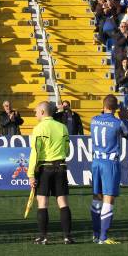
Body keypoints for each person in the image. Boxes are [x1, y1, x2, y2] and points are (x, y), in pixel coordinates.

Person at [28, 101, 73, 245]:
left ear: (42, 112)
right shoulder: (63, 127)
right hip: (60, 166)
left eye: (36, 111)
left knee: (42, 202)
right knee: (63, 202)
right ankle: (67, 237)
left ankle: (43, 237)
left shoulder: (38, 129)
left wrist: (31, 174)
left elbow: (35, 153)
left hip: (45, 168)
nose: (35, 114)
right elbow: (67, 150)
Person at [90, 95, 128, 244]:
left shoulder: (94, 120)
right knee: (108, 198)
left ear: (103, 106)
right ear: (115, 108)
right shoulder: (118, 122)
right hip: (109, 163)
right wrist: (126, 118)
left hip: (96, 161)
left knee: (97, 197)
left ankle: (95, 234)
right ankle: (103, 236)